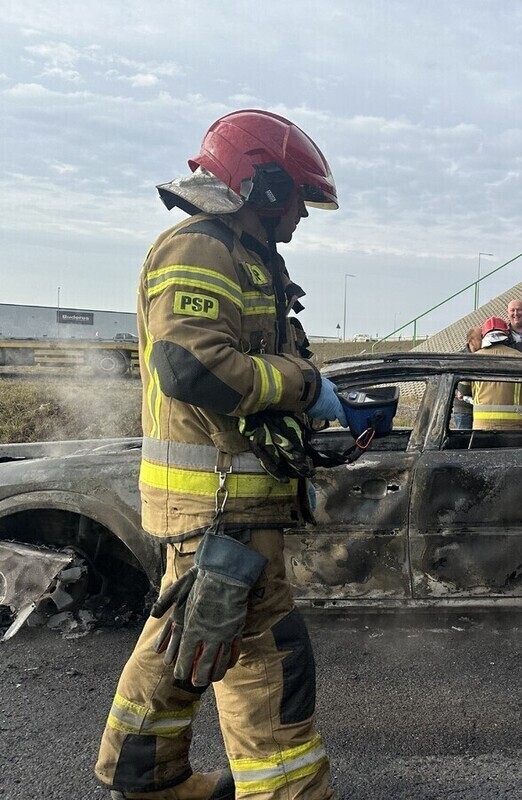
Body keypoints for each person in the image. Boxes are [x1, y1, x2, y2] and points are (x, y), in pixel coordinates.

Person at [95, 110, 343, 800]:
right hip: (221, 506)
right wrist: (307, 386)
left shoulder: (242, 253)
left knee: (186, 636)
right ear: (260, 183)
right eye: (295, 198)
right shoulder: (200, 248)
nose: (298, 217)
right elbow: (191, 367)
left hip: (229, 500)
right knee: (270, 660)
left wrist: (307, 416)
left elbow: (245, 368)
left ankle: (146, 777)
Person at [471, 316, 522, 430]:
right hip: (514, 427)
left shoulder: (473, 359)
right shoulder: (520, 357)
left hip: (481, 426)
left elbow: (463, 390)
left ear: (484, 336)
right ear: (507, 335)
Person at [451, 326, 481, 430]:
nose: (483, 341)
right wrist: (455, 392)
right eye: (480, 338)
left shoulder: (484, 357)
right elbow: (449, 380)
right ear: (470, 341)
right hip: (463, 410)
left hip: (480, 410)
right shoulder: (458, 359)